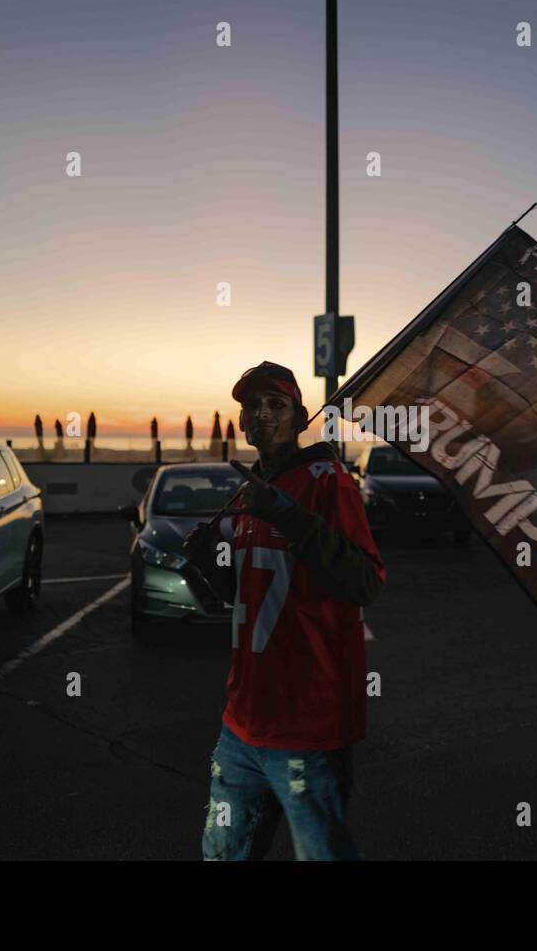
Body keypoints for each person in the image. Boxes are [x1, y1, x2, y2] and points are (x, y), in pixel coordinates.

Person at [182, 361, 386, 860]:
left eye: (276, 404)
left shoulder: (327, 481)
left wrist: (286, 514)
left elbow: (364, 580)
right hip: (242, 721)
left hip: (308, 727)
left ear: (299, 418)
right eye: (252, 406)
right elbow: (255, 596)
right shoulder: (248, 494)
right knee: (222, 853)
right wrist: (209, 563)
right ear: (242, 422)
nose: (262, 414)